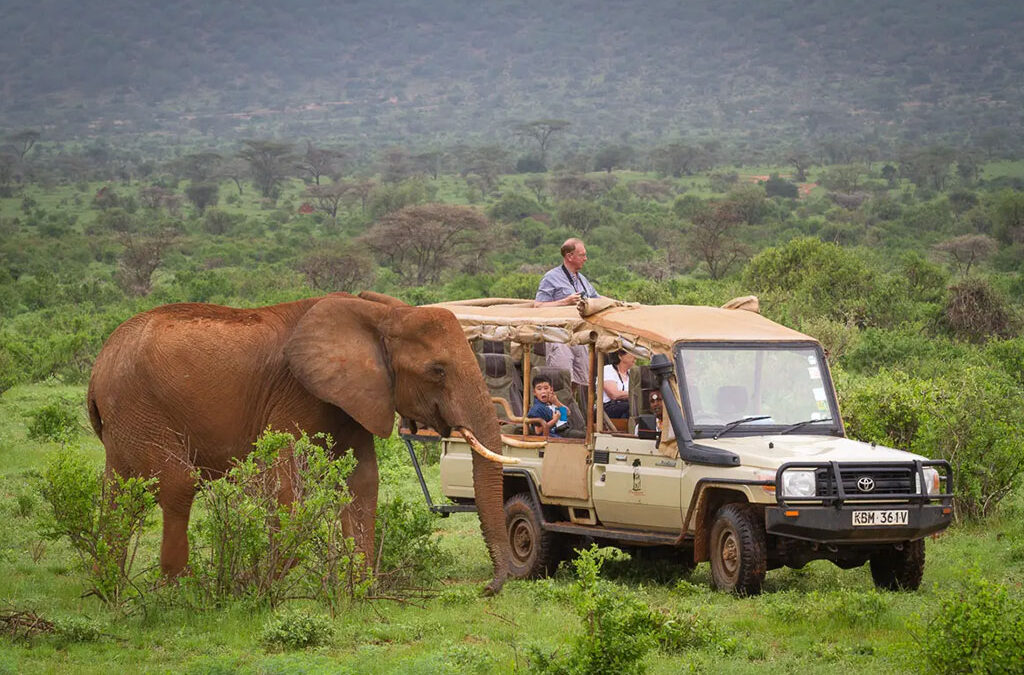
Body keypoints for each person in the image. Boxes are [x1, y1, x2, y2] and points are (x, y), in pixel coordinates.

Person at [534, 238, 599, 387]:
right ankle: (560, 412)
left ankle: (574, 411)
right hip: (559, 337)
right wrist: (565, 302)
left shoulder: (582, 279)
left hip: (579, 336)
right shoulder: (551, 277)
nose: (585, 259)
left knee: (582, 383)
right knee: (561, 383)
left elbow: (597, 299)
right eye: (582, 255)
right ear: (570, 256)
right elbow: (538, 306)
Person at [603, 349, 634, 419]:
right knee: (632, 406)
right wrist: (635, 394)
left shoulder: (631, 374)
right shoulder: (608, 369)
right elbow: (614, 394)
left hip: (626, 406)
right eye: (632, 353)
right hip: (608, 407)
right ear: (620, 356)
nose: (635, 357)